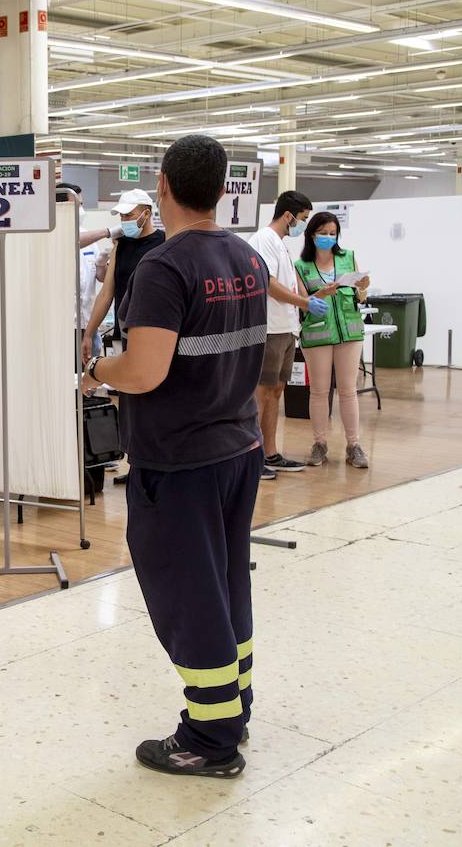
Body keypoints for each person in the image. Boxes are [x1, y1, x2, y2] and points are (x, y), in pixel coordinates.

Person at [80, 134, 264, 779]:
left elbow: (146, 370)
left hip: (180, 460)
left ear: (162, 186)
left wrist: (99, 370)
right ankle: (234, 702)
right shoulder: (245, 256)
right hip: (239, 445)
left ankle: (211, 738)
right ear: (221, 188)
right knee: (225, 582)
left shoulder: (165, 267)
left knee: (189, 596)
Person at [244, 190, 315, 481]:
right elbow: (268, 283)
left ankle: (270, 452)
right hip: (269, 328)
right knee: (262, 393)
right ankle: (254, 455)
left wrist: (308, 299)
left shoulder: (281, 244)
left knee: (276, 392)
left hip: (286, 328)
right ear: (288, 216)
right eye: (302, 219)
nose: (302, 225)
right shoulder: (263, 239)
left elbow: (289, 283)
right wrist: (305, 303)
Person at [294, 212, 371, 469]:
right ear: (312, 234)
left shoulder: (348, 257)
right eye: (323, 233)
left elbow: (360, 297)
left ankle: (354, 445)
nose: (328, 237)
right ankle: (319, 444)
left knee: (348, 390)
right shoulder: (300, 266)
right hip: (317, 334)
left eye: (332, 233)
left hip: (349, 332)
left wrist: (363, 287)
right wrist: (323, 293)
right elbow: (303, 303)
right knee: (319, 390)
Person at [80, 188, 165, 367]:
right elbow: (106, 294)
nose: (124, 221)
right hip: (124, 331)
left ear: (146, 213)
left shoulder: (164, 243)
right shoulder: (121, 245)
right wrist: (89, 333)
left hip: (156, 332)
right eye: (121, 217)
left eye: (129, 215)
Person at [59, 182, 118, 362]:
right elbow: (72, 240)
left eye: (82, 204)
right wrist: (108, 231)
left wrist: (102, 264)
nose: (81, 209)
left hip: (88, 324)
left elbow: (100, 277)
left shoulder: (88, 236)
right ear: (61, 207)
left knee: (89, 379)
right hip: (63, 327)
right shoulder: (53, 235)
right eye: (78, 204)